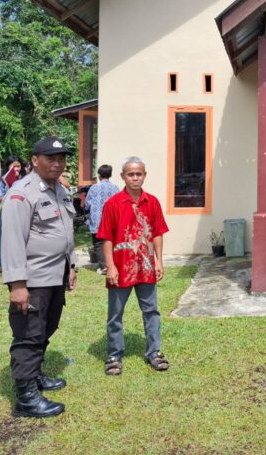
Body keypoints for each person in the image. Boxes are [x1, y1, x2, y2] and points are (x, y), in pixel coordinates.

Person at [0, 137, 77, 417]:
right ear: (34, 160)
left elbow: (65, 233)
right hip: (33, 280)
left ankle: (35, 375)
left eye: (61, 159)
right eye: (50, 158)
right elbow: (11, 241)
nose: (57, 164)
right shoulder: (22, 193)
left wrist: (72, 267)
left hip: (55, 276)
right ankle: (26, 399)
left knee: (46, 329)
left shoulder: (59, 190)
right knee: (28, 336)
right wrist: (17, 285)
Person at [97, 156, 169, 375]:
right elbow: (106, 237)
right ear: (123, 177)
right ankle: (114, 355)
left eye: (139, 174)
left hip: (146, 267)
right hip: (121, 267)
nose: (135, 178)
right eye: (131, 174)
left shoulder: (152, 202)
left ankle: (154, 352)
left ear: (144, 175)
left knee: (151, 311)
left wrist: (159, 260)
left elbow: (157, 233)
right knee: (115, 314)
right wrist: (110, 266)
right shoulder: (113, 204)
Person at [85, 164, 120, 274]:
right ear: (110, 175)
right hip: (112, 220)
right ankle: (112, 264)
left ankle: (104, 267)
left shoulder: (94, 188)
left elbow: (87, 204)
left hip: (97, 221)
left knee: (98, 243)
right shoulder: (115, 188)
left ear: (99, 175)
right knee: (111, 242)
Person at [0, 156, 25, 273]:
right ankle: (1, 263)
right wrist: (12, 188)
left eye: (18, 166)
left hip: (23, 211)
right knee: (4, 237)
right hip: (8, 211)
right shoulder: (3, 180)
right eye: (14, 166)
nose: (16, 169)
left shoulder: (25, 179)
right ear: (8, 166)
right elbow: (1, 199)